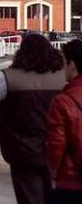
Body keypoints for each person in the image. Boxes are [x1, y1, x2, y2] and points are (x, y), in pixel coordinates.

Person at [0, 33, 65, 204]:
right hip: (57, 148)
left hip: (22, 149)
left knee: (29, 197)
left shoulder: (9, 77)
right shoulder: (62, 77)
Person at [47, 39, 82, 203]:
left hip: (70, 181)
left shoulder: (63, 101)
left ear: (72, 65)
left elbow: (57, 143)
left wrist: (52, 174)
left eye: (64, 63)